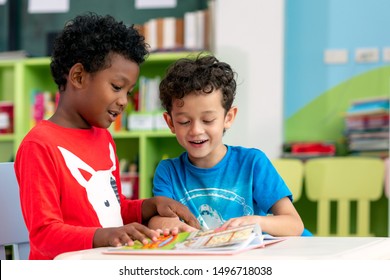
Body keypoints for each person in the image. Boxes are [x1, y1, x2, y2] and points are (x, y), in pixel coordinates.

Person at [14, 13, 199, 260]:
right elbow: (44, 234)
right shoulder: (39, 145)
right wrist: (106, 236)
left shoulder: (103, 137)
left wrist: (150, 205)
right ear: (78, 76)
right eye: (116, 87)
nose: (124, 101)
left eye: (129, 91)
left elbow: (113, 209)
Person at [149, 54, 305, 236]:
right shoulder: (168, 171)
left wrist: (256, 221)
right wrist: (163, 223)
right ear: (170, 123)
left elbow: (294, 224)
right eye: (184, 121)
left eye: (208, 120)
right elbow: (156, 220)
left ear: (228, 118)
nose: (196, 130)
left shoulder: (252, 163)